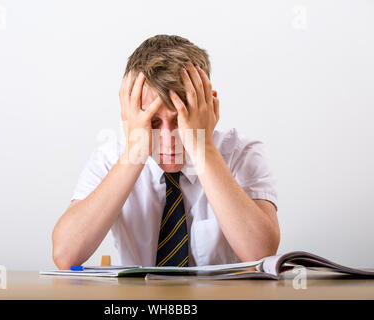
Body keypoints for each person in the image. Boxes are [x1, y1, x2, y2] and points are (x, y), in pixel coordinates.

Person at [52, 34, 280, 269]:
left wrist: (202, 148)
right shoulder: (110, 158)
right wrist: (136, 152)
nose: (168, 141)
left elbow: (260, 253)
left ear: (208, 109)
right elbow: (66, 254)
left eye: (181, 120)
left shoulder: (243, 153)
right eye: (153, 123)